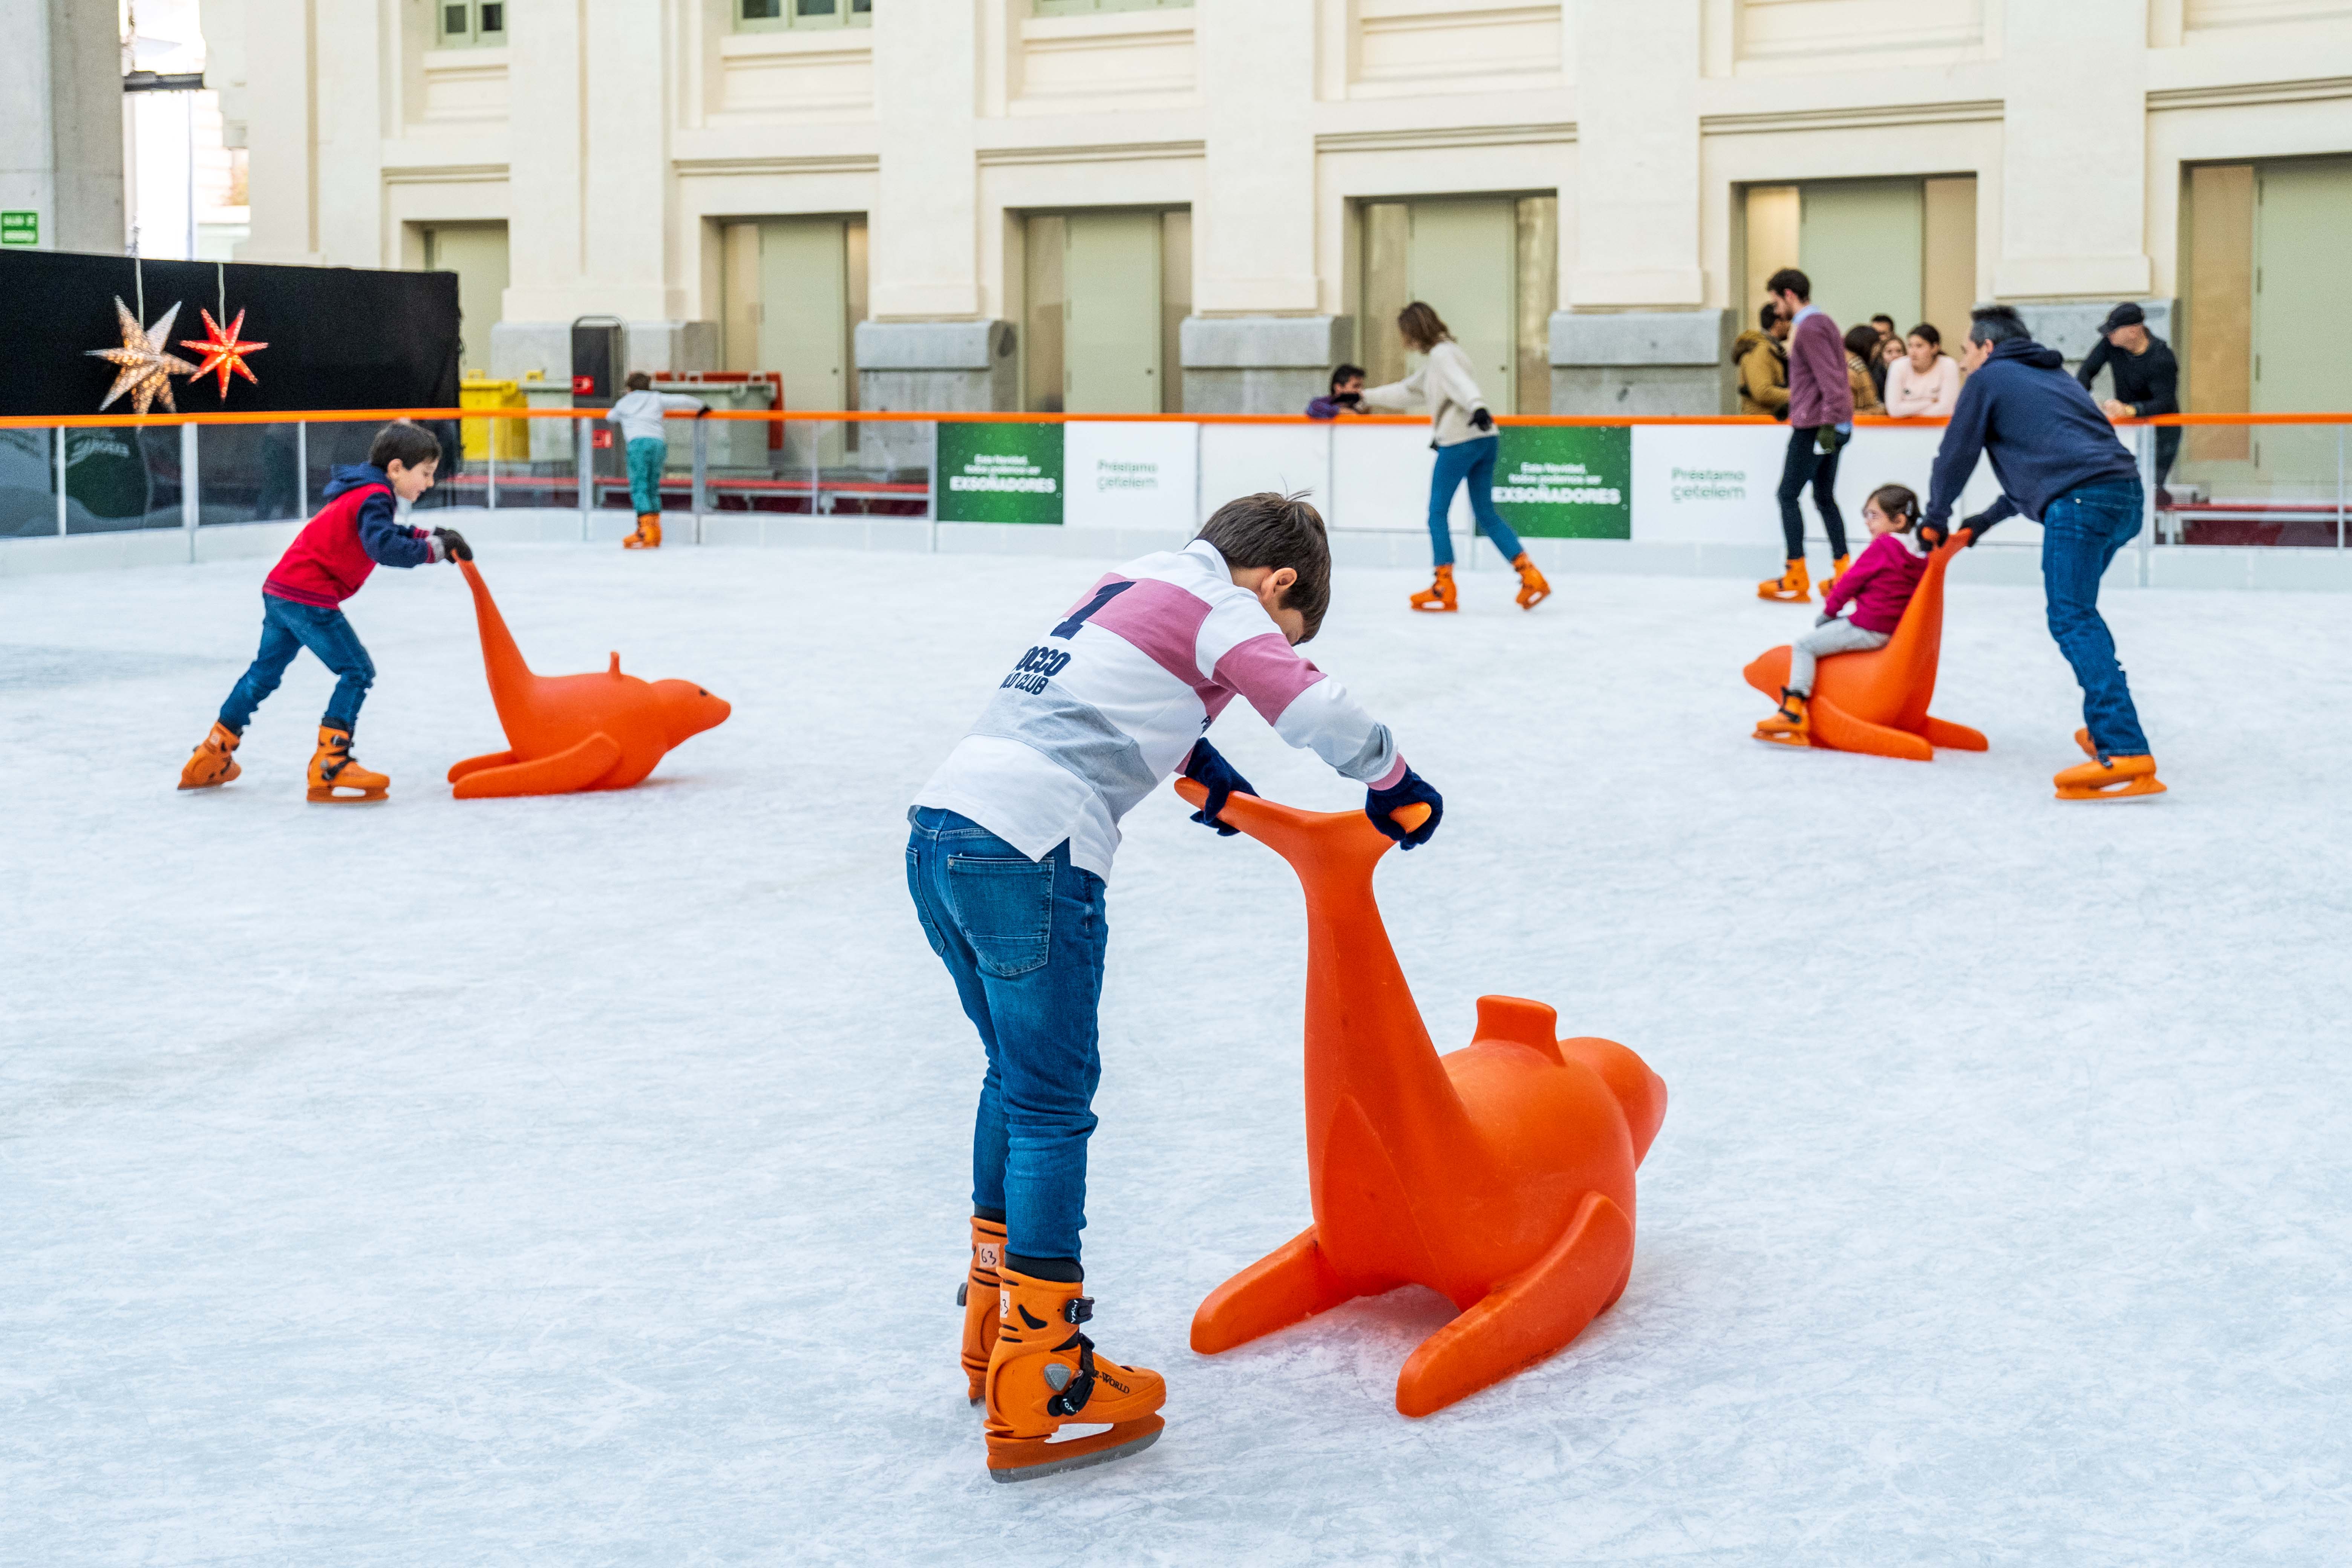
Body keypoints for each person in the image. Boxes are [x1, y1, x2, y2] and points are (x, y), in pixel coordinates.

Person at [907, 492, 1441, 1479]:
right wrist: (1394, 780)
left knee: (1012, 1081)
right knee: (1056, 1106)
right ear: (1279, 582)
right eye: (1290, 622)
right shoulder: (1228, 609)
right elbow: (1311, 707)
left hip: (942, 829)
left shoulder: (1131, 580)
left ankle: (993, 1323)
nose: (1270, 644)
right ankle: (1046, 1371)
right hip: (1031, 848)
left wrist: (1210, 777)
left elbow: (1130, 693)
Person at [1920, 305, 2165, 799]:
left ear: (1987, 348)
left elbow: (1956, 453)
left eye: (1967, 350)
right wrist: (1985, 520)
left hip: (2081, 502)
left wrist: (1935, 519)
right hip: (2125, 496)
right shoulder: (2056, 379)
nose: (1966, 360)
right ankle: (2107, 729)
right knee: (2081, 616)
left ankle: (2123, 745)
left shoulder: (1989, 380)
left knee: (2072, 618)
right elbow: (2056, 460)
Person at [178, 420, 470, 801]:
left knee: (262, 675)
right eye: (426, 474)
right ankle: (332, 762)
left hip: (282, 590)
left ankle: (213, 751)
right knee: (357, 670)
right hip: (307, 596)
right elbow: (382, 546)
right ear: (397, 468)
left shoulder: (367, 492)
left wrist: (431, 538)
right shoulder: (376, 496)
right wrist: (433, 550)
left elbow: (382, 533)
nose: (429, 483)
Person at [1361, 302, 1550, 612]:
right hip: (1486, 439)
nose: (1404, 340)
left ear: (1414, 331)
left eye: (1405, 334)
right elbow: (1407, 391)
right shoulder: (1449, 354)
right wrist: (1365, 397)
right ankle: (1531, 575)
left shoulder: (1442, 356)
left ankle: (1443, 585)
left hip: (1461, 440)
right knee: (1486, 513)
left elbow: (1464, 386)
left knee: (1437, 512)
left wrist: (1477, 405)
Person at [1754, 484, 1928, 746]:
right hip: (1894, 629)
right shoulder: (1919, 553)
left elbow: (1850, 582)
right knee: (1833, 632)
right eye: (1865, 515)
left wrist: (1828, 612)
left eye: (1874, 516)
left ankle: (1792, 710)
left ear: (1899, 520)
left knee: (1804, 646)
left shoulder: (1884, 546)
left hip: (1869, 628)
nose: (1867, 523)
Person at [1757, 268, 1856, 603]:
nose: (1774, 310)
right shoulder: (1824, 322)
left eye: (1775, 301)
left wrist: (1828, 430)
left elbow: (1831, 383)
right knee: (1824, 497)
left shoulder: (1810, 328)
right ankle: (1844, 572)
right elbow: (1830, 381)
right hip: (1827, 425)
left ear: (1788, 294)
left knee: (1788, 496)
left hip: (1816, 427)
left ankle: (1796, 572)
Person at [2076, 302, 2180, 496]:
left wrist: (2130, 410)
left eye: (2114, 331)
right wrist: (2082, 400)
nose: (2109, 335)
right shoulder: (2111, 345)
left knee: (2151, 487)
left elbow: (2165, 402)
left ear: (2133, 331)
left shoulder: (2161, 357)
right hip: (2128, 428)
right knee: (2124, 482)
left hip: (2161, 430)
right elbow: (2087, 371)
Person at [608, 371, 708, 550]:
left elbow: (610, 417)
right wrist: (703, 407)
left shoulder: (624, 403)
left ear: (629, 389)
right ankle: (655, 531)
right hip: (658, 444)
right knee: (653, 487)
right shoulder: (656, 398)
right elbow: (684, 400)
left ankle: (644, 530)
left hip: (638, 444)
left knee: (639, 487)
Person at [1884, 323, 1961, 418]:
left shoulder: (1948, 365)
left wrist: (1908, 413)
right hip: (1904, 431)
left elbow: (1948, 409)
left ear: (1935, 348)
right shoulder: (1898, 366)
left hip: (1938, 428)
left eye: (1919, 346)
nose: (1913, 352)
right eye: (1910, 346)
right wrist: (1929, 402)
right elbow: (1894, 410)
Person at [1732, 303, 1791, 418]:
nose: (1790, 326)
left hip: (1769, 423)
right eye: (1788, 320)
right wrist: (1797, 395)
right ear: (1778, 323)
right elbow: (1762, 392)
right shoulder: (1760, 351)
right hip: (1761, 425)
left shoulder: (1772, 349)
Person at [1844, 325, 1887, 416]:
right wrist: (1881, 411)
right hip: (1856, 426)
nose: (1877, 351)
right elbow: (1849, 412)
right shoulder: (1853, 372)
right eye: (1876, 347)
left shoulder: (1855, 367)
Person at [1306, 364, 1370, 419]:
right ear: (1339, 388)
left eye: (1362, 387)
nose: (1360, 391)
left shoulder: (1357, 406)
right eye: (1356, 386)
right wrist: (1340, 411)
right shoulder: (1324, 403)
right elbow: (1313, 408)